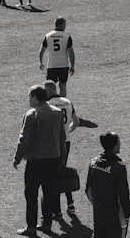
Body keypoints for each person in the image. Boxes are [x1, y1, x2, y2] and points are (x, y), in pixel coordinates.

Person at [13, 84, 66, 237]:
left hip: (36, 162)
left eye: (29, 96)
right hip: (54, 160)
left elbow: (24, 138)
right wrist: (62, 158)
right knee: (49, 192)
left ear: (35, 97)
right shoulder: (56, 113)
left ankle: (31, 227)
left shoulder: (32, 114)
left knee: (31, 194)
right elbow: (62, 138)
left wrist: (17, 158)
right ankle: (47, 223)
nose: (28, 99)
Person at [85, 131, 130, 238]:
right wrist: (127, 215)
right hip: (115, 218)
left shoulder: (93, 163)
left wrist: (98, 205)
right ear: (114, 146)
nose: (120, 144)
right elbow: (123, 194)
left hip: (99, 215)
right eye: (118, 142)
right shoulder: (119, 167)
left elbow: (88, 190)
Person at [45, 80, 79, 216]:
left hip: (53, 143)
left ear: (48, 91)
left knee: (53, 174)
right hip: (66, 142)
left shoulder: (48, 105)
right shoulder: (67, 101)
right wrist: (67, 132)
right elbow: (76, 122)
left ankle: (57, 210)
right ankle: (70, 204)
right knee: (62, 170)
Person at [40, 18, 76, 97]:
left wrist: (41, 62)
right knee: (62, 85)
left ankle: (50, 104)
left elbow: (42, 50)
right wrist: (72, 66)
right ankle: (62, 103)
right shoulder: (67, 36)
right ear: (62, 24)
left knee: (49, 86)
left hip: (52, 64)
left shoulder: (48, 35)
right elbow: (71, 52)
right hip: (63, 65)